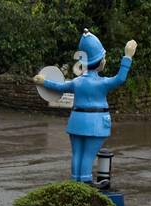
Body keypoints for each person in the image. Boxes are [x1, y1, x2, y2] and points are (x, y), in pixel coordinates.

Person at [34, 30, 137, 184]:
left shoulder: (77, 82)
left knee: (77, 154)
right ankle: (86, 185)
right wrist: (127, 56)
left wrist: (44, 81)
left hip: (76, 121)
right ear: (101, 62)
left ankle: (75, 183)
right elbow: (120, 78)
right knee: (88, 156)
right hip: (96, 122)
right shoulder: (103, 83)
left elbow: (60, 87)